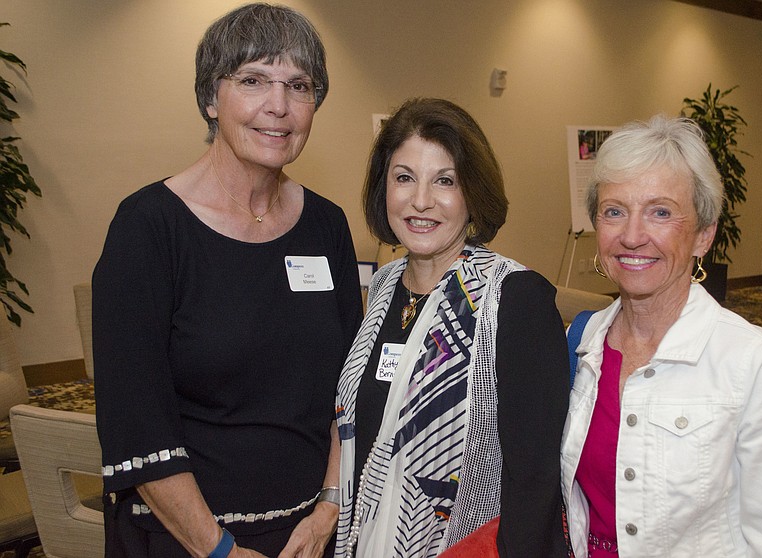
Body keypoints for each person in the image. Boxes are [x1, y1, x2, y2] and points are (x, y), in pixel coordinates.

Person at [93, 4, 362, 557]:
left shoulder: (327, 225)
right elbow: (136, 421)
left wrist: (330, 508)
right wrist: (218, 549)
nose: (279, 107)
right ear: (210, 99)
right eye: (253, 80)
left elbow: (350, 387)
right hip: (185, 539)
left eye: (299, 85)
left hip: (311, 537)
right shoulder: (147, 229)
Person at [560, 114, 762, 557]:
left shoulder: (750, 361)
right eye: (615, 211)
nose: (633, 236)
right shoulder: (584, 343)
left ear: (704, 235)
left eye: (660, 212)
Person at [335, 98, 570, 558]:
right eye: (404, 178)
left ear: (473, 193)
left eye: (445, 181)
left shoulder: (515, 298)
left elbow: (535, 478)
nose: (421, 201)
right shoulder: (384, 285)